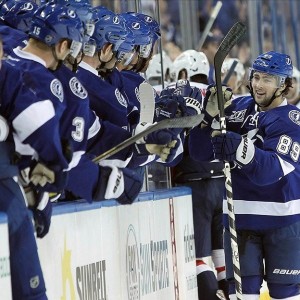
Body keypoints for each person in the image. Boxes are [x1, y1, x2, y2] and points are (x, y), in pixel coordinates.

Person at [189, 50, 300, 299]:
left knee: (285, 293)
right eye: (256, 77)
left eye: (267, 79)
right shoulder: (237, 108)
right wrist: (206, 119)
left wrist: (238, 146)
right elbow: (200, 152)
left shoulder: (292, 121)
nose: (258, 85)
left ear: (284, 85)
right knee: (242, 293)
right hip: (241, 220)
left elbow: (269, 171)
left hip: (284, 220)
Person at [169, 49, 229, 299]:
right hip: (223, 184)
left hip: (194, 185)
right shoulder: (223, 95)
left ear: (183, 72)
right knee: (222, 255)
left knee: (199, 257)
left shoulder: (179, 92)